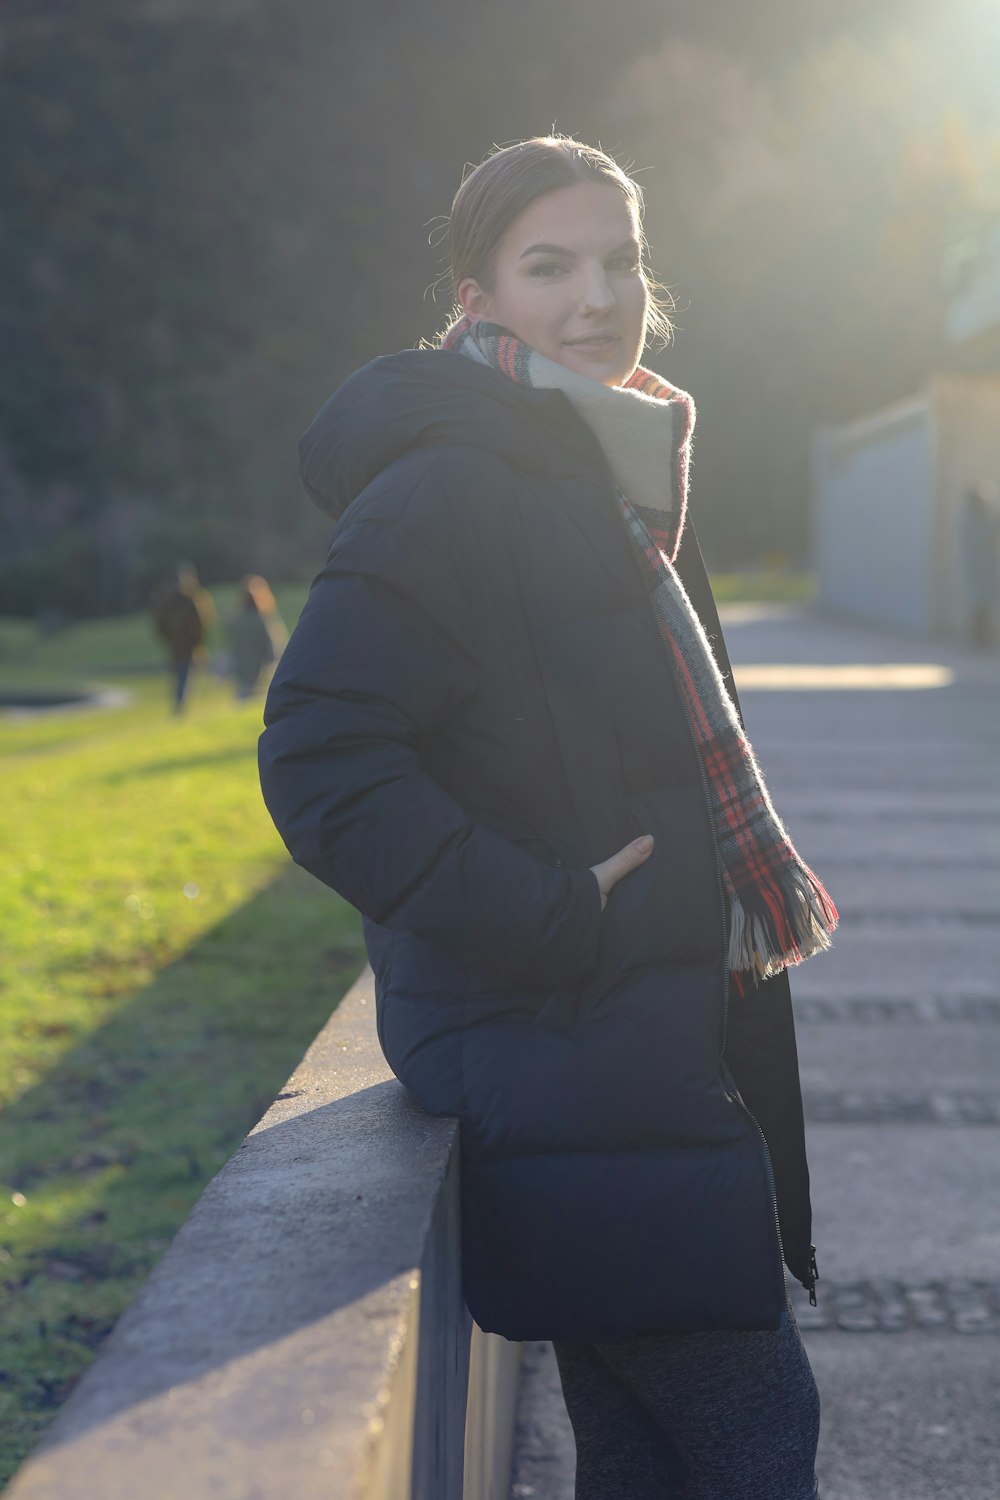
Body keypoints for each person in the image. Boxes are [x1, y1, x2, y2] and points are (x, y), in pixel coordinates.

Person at [259, 136, 838, 1498]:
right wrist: (550, 906)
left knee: (642, 1449)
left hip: (624, 1040)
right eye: (549, 266)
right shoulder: (453, 483)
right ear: (477, 298)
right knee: (755, 1439)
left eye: (621, 260)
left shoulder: (612, 467)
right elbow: (322, 761)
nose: (598, 296)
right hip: (558, 1035)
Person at [149, 562, 215, 714]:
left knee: (181, 677)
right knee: (184, 678)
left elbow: (161, 625)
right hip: (186, 647)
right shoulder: (191, 599)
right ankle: (181, 708)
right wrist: (198, 642)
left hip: (178, 647)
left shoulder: (170, 600)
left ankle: (180, 707)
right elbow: (200, 623)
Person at [225, 574, 287, 699]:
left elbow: (231, 643)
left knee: (243, 695)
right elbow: (273, 644)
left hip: (241, 665)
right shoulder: (263, 620)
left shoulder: (235, 620)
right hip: (260, 666)